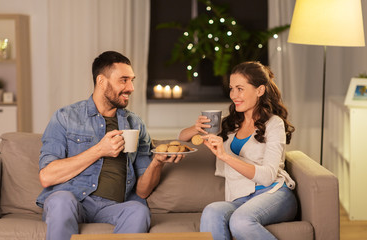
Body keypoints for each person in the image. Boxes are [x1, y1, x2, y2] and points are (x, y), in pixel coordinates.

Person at [36, 51, 183, 240]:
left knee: (138, 211)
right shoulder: (65, 117)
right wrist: (99, 150)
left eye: (132, 80)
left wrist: (158, 162)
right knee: (61, 201)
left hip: (114, 206)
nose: (130, 87)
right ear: (101, 81)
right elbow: (47, 176)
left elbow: (143, 191)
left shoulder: (135, 124)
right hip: (74, 199)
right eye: (123, 80)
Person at [178, 61, 297, 240]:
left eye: (240, 88)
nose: (234, 95)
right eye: (232, 88)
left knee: (241, 221)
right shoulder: (230, 124)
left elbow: (267, 177)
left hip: (273, 193)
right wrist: (196, 127)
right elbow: (182, 137)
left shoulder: (274, 124)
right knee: (211, 211)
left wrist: (225, 156)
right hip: (241, 197)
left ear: (260, 90)